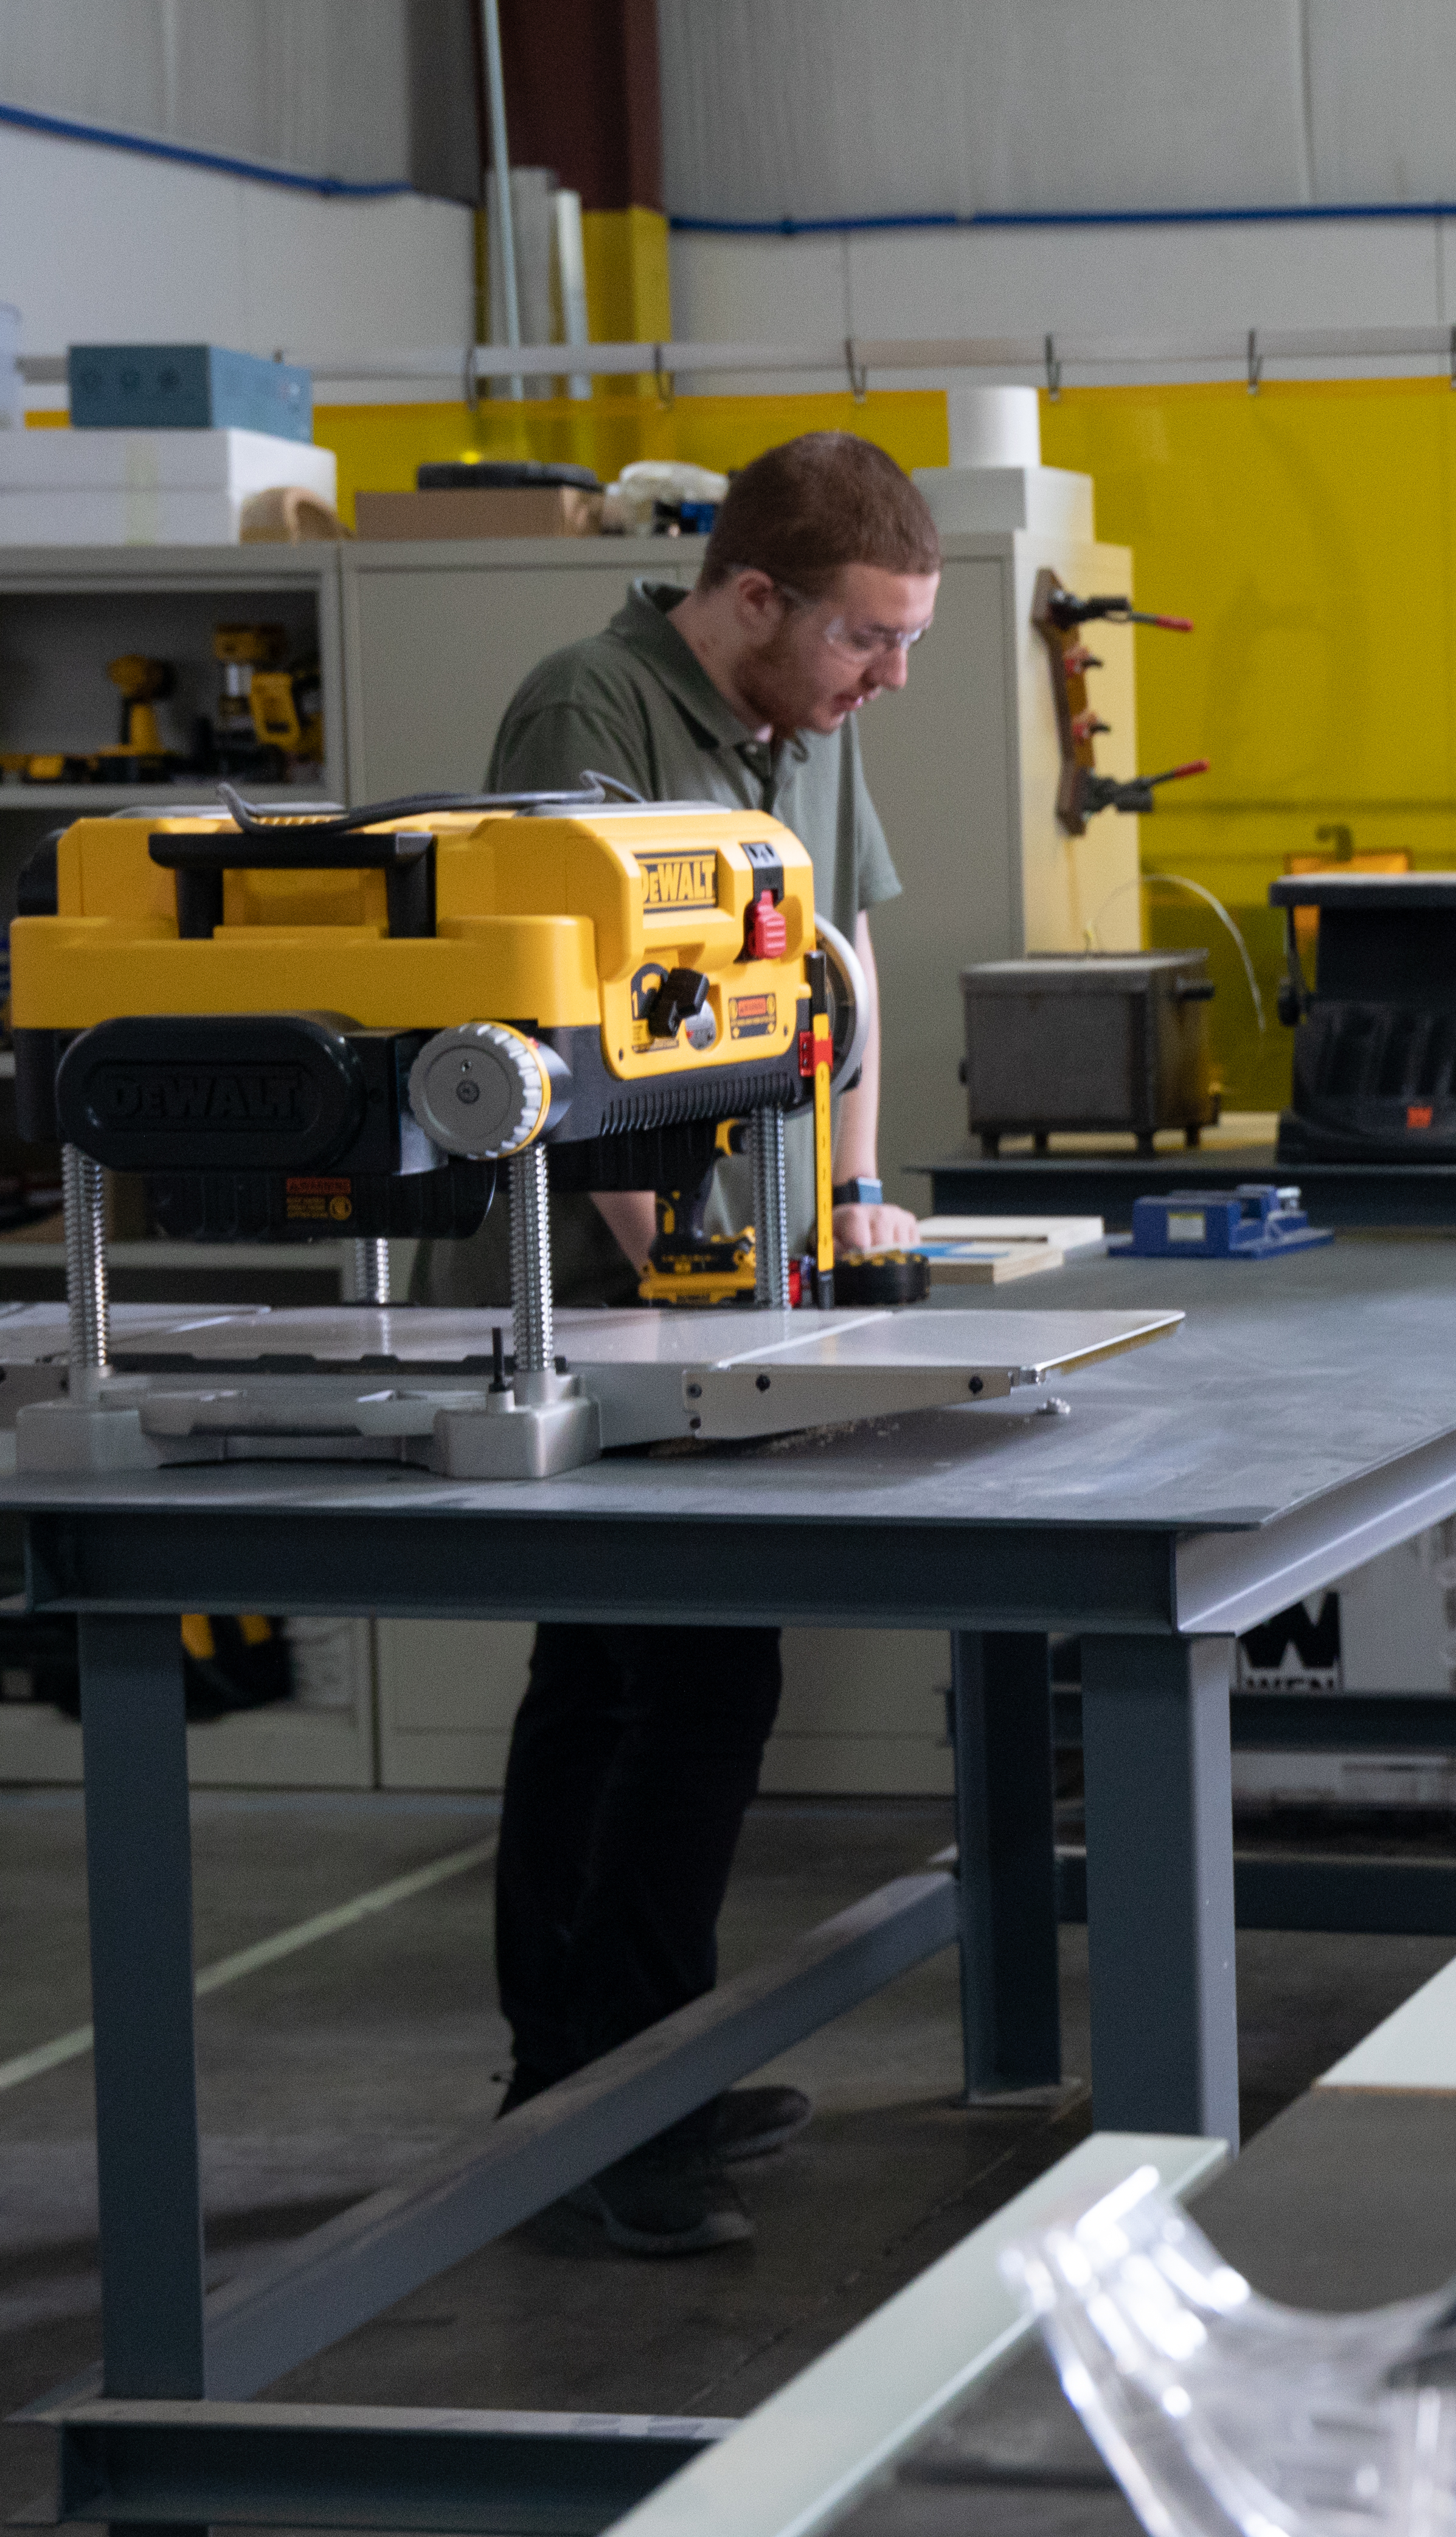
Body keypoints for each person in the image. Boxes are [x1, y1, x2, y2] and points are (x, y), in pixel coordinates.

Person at [437, 431, 934, 2254]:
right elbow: (572, 1039)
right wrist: (687, 1274)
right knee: (667, 1677)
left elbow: (847, 960)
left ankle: (607, 2069)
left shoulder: (812, 725)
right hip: (613, 1294)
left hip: (752, 1274)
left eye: (902, 644)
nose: (887, 676)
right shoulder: (593, 712)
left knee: (645, 1673)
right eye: (867, 639)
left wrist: (860, 1199)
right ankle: (596, 2109)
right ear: (750, 599)